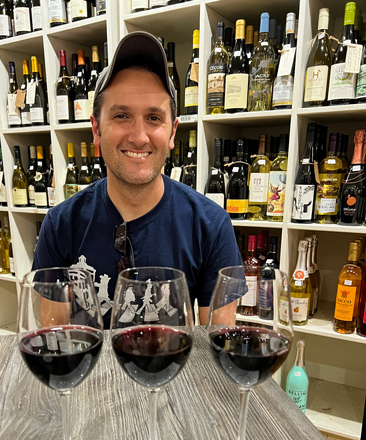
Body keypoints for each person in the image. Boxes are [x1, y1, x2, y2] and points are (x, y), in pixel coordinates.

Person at [33, 31, 242, 327]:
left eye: (154, 118)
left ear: (172, 132)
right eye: (121, 116)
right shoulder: (59, 225)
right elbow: (54, 341)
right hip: (92, 373)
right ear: (96, 129)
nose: (139, 136)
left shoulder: (212, 225)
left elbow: (217, 350)